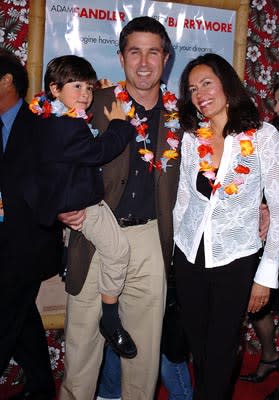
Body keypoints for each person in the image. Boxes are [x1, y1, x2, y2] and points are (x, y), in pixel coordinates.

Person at [58, 16, 182, 400]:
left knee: (143, 358)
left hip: (150, 238)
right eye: (134, 52)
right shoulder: (92, 104)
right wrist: (60, 205)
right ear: (121, 56)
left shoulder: (185, 118)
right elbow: (47, 158)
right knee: (81, 351)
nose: (144, 62)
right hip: (96, 234)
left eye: (153, 52)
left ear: (166, 58)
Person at [173, 52, 279, 400]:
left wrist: (266, 275)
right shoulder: (192, 138)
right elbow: (184, 202)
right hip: (189, 258)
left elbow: (277, 208)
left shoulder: (263, 136)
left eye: (206, 83)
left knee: (220, 350)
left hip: (236, 259)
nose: (199, 93)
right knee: (200, 350)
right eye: (191, 88)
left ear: (226, 84)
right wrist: (173, 256)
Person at [27, 55, 137, 358]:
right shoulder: (65, 126)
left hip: (71, 203)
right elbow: (99, 152)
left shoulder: (51, 120)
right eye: (77, 86)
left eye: (89, 88)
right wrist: (119, 124)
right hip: (83, 204)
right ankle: (110, 318)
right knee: (118, 251)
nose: (86, 95)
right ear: (54, 89)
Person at [0, 50, 63, 399]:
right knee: (21, 321)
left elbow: (56, 184)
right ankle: (41, 388)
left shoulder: (42, 125)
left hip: (29, 247)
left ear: (7, 80)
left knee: (6, 317)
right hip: (2, 244)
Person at [239, 80, 279, 393]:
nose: (277, 109)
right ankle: (269, 356)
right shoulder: (268, 132)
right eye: (277, 101)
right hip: (270, 233)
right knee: (258, 302)